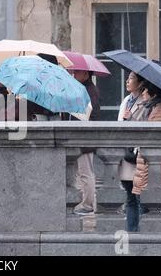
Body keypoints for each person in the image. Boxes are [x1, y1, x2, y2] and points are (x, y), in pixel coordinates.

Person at [132, 81, 161, 216]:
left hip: (155, 177)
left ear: (154, 93)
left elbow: (153, 148)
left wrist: (141, 182)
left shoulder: (159, 113)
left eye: (145, 90)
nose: (143, 93)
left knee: (151, 215)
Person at [117, 71, 150, 231]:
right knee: (130, 196)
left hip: (138, 155)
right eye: (128, 78)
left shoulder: (145, 101)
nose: (127, 81)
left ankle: (139, 231)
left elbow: (146, 126)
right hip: (125, 153)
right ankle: (131, 231)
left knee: (140, 197)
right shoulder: (126, 101)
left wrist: (131, 119)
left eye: (131, 78)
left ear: (140, 83)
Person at [63, 70, 100, 215]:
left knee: (86, 171)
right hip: (82, 135)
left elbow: (89, 114)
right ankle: (85, 202)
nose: (74, 75)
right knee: (82, 171)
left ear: (86, 74)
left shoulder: (89, 90)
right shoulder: (84, 88)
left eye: (77, 72)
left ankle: (88, 204)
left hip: (85, 136)